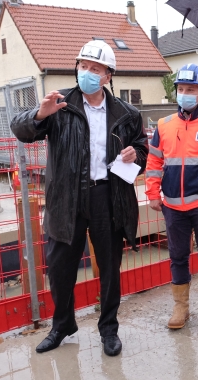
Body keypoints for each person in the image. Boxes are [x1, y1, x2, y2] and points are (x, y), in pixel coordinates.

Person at [10, 40, 148, 356]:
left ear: (108, 76)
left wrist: (136, 154)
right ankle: (62, 326)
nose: (87, 72)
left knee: (110, 268)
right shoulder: (60, 104)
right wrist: (39, 114)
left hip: (108, 196)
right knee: (60, 268)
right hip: (67, 198)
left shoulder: (126, 113)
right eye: (83, 66)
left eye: (95, 68)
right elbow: (21, 129)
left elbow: (142, 149)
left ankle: (109, 329)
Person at [145, 64, 198, 330]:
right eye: (181, 89)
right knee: (178, 257)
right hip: (172, 206)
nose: (185, 94)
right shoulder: (163, 125)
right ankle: (180, 307)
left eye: (191, 89)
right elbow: (154, 162)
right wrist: (152, 193)